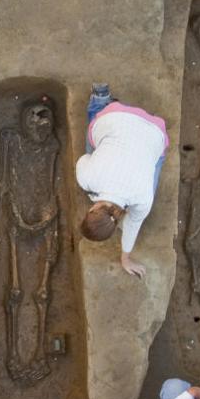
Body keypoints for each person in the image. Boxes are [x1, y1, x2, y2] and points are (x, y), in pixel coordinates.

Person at [74, 82, 169, 278]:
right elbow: (84, 159)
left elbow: (133, 225)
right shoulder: (87, 179)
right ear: (91, 210)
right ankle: (100, 98)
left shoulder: (142, 198)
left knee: (150, 178)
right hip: (114, 117)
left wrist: (126, 259)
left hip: (156, 130)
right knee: (92, 147)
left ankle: (101, 100)